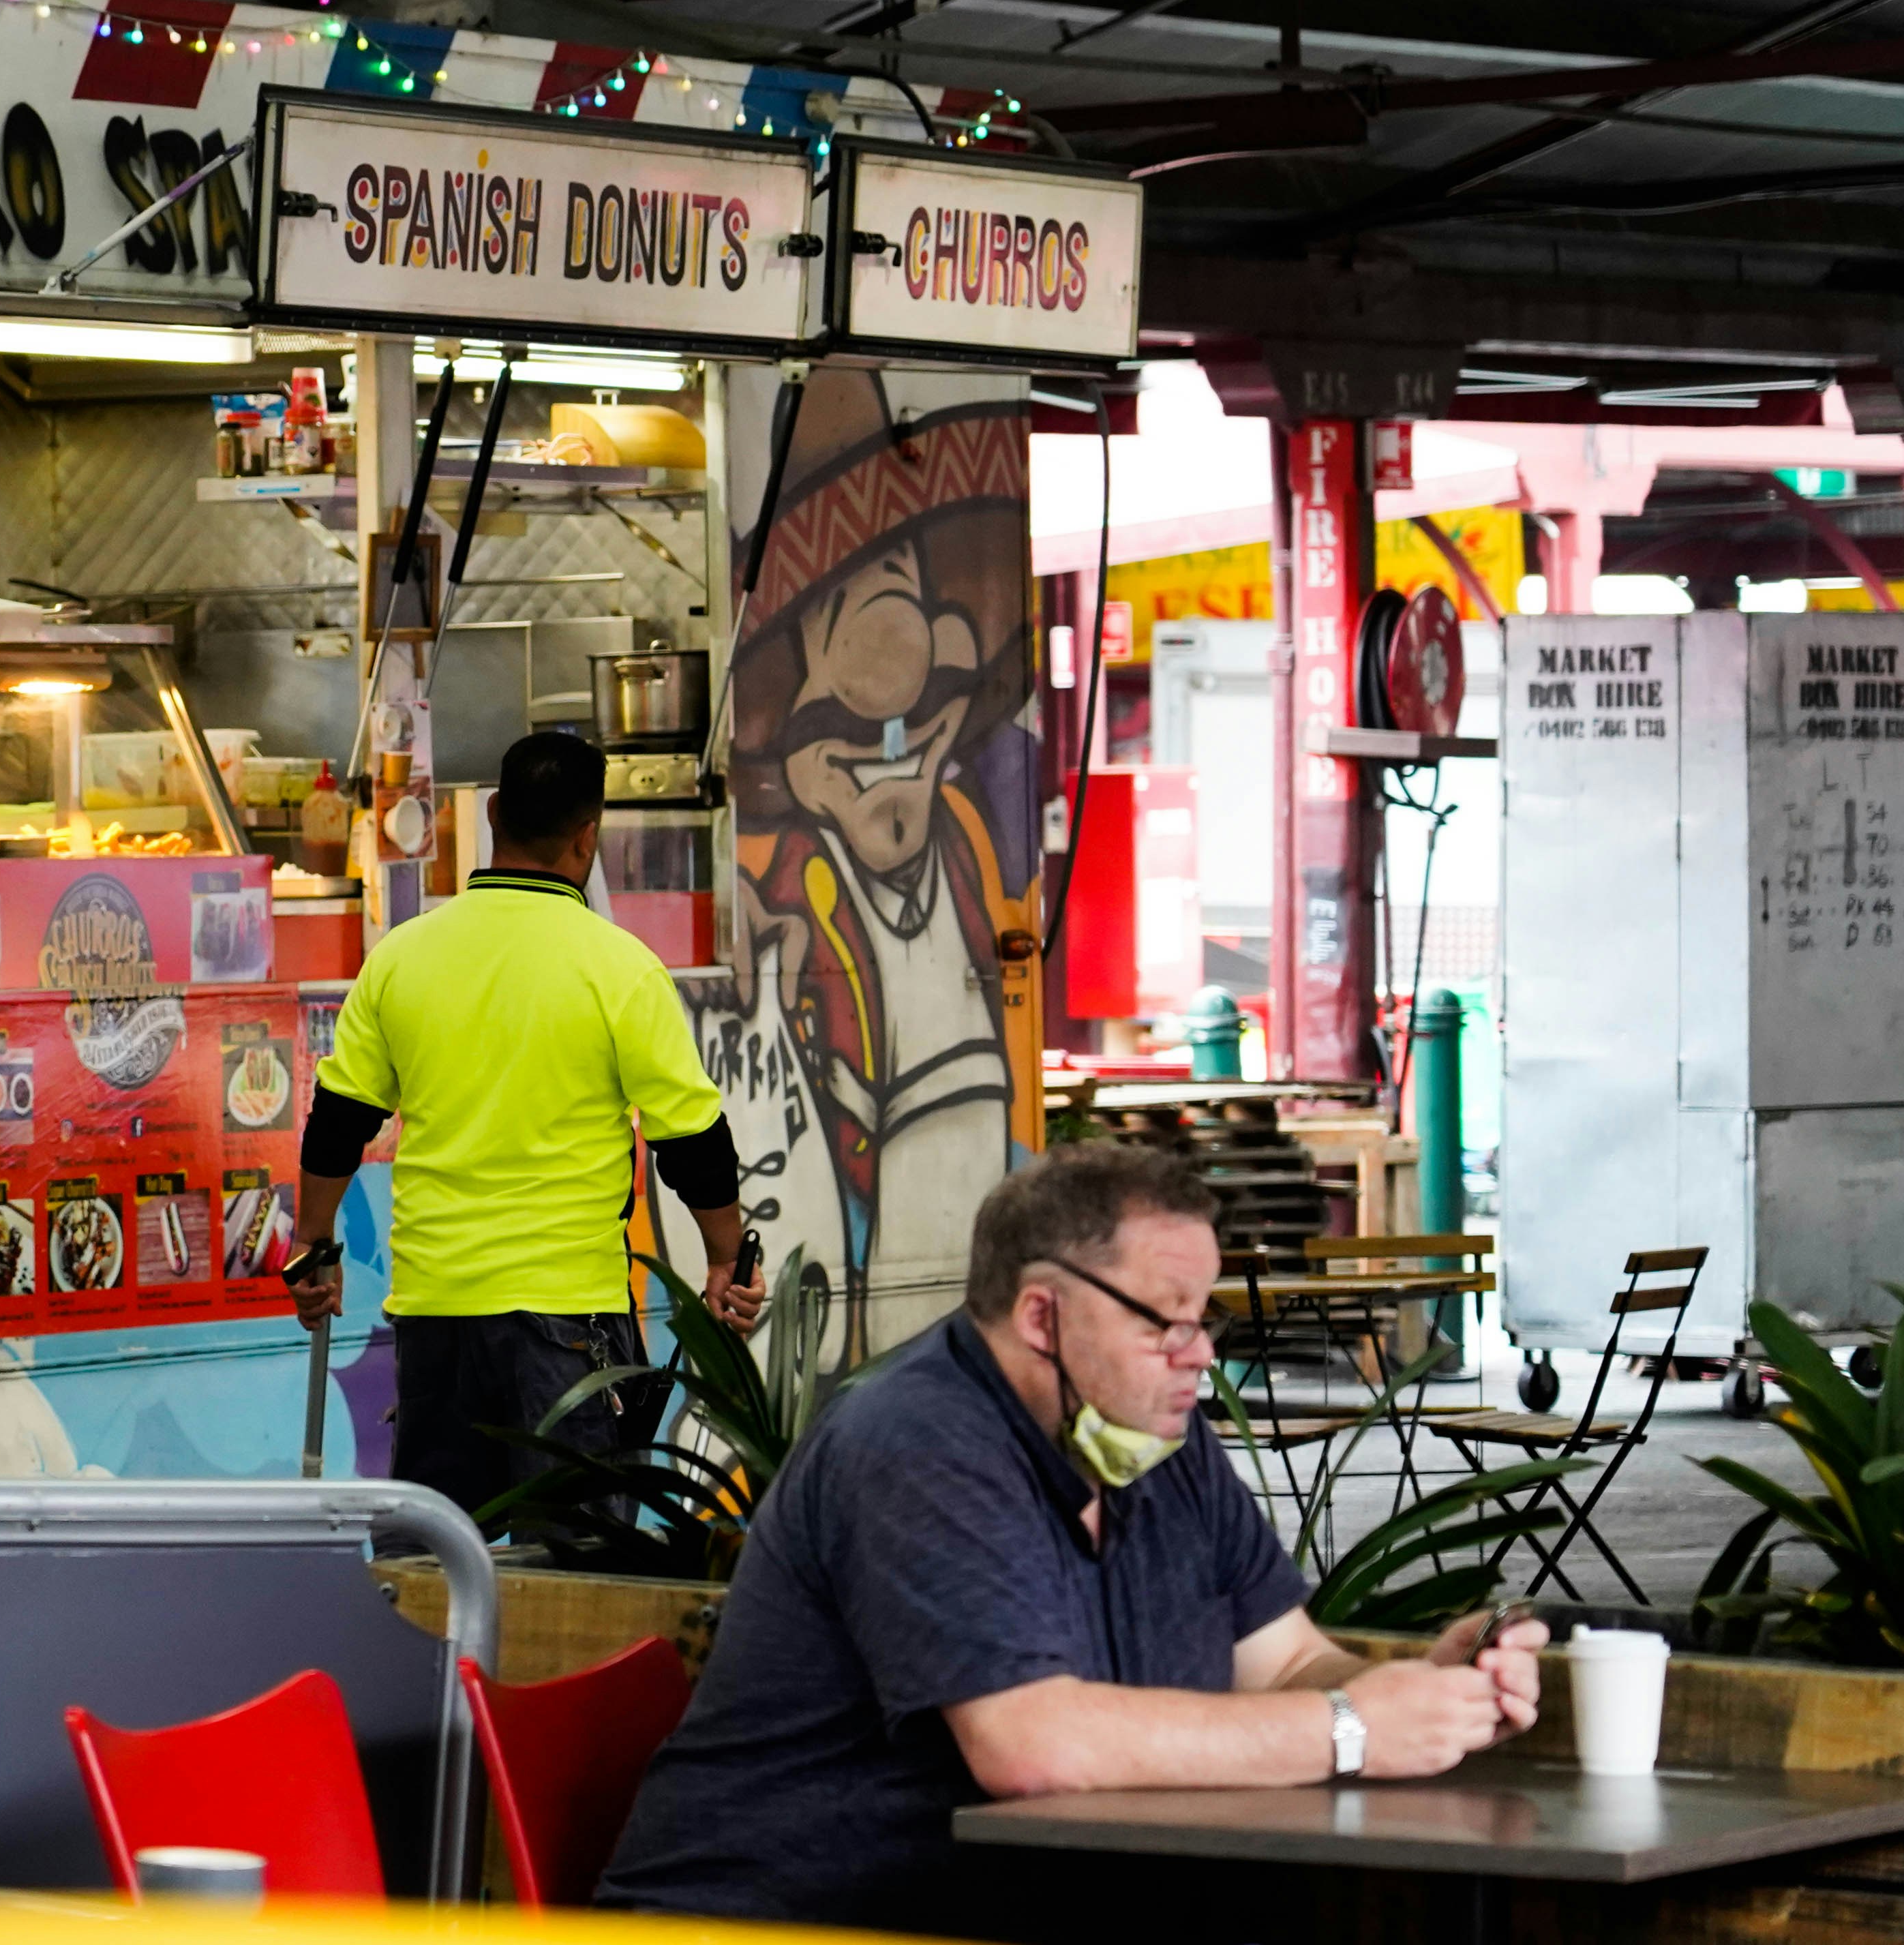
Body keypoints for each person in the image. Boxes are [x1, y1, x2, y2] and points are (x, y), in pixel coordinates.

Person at [598, 1141, 1547, 1934]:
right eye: (1165, 1320)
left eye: (1204, 1314)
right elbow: (1030, 1745)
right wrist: (1353, 1729)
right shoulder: (918, 1440)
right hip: (782, 1917)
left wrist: (1426, 1693)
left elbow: (1281, 1660)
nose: (1201, 1352)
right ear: (1042, 1314)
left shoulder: (1152, 1433)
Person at [290, 729, 765, 1535]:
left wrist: (315, 1249)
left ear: (494, 816)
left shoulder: (403, 959)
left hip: (437, 1317)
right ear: (590, 836)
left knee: (432, 1573)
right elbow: (693, 1142)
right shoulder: (619, 967)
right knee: (580, 1572)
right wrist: (725, 1258)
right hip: (568, 1324)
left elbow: (338, 1121)